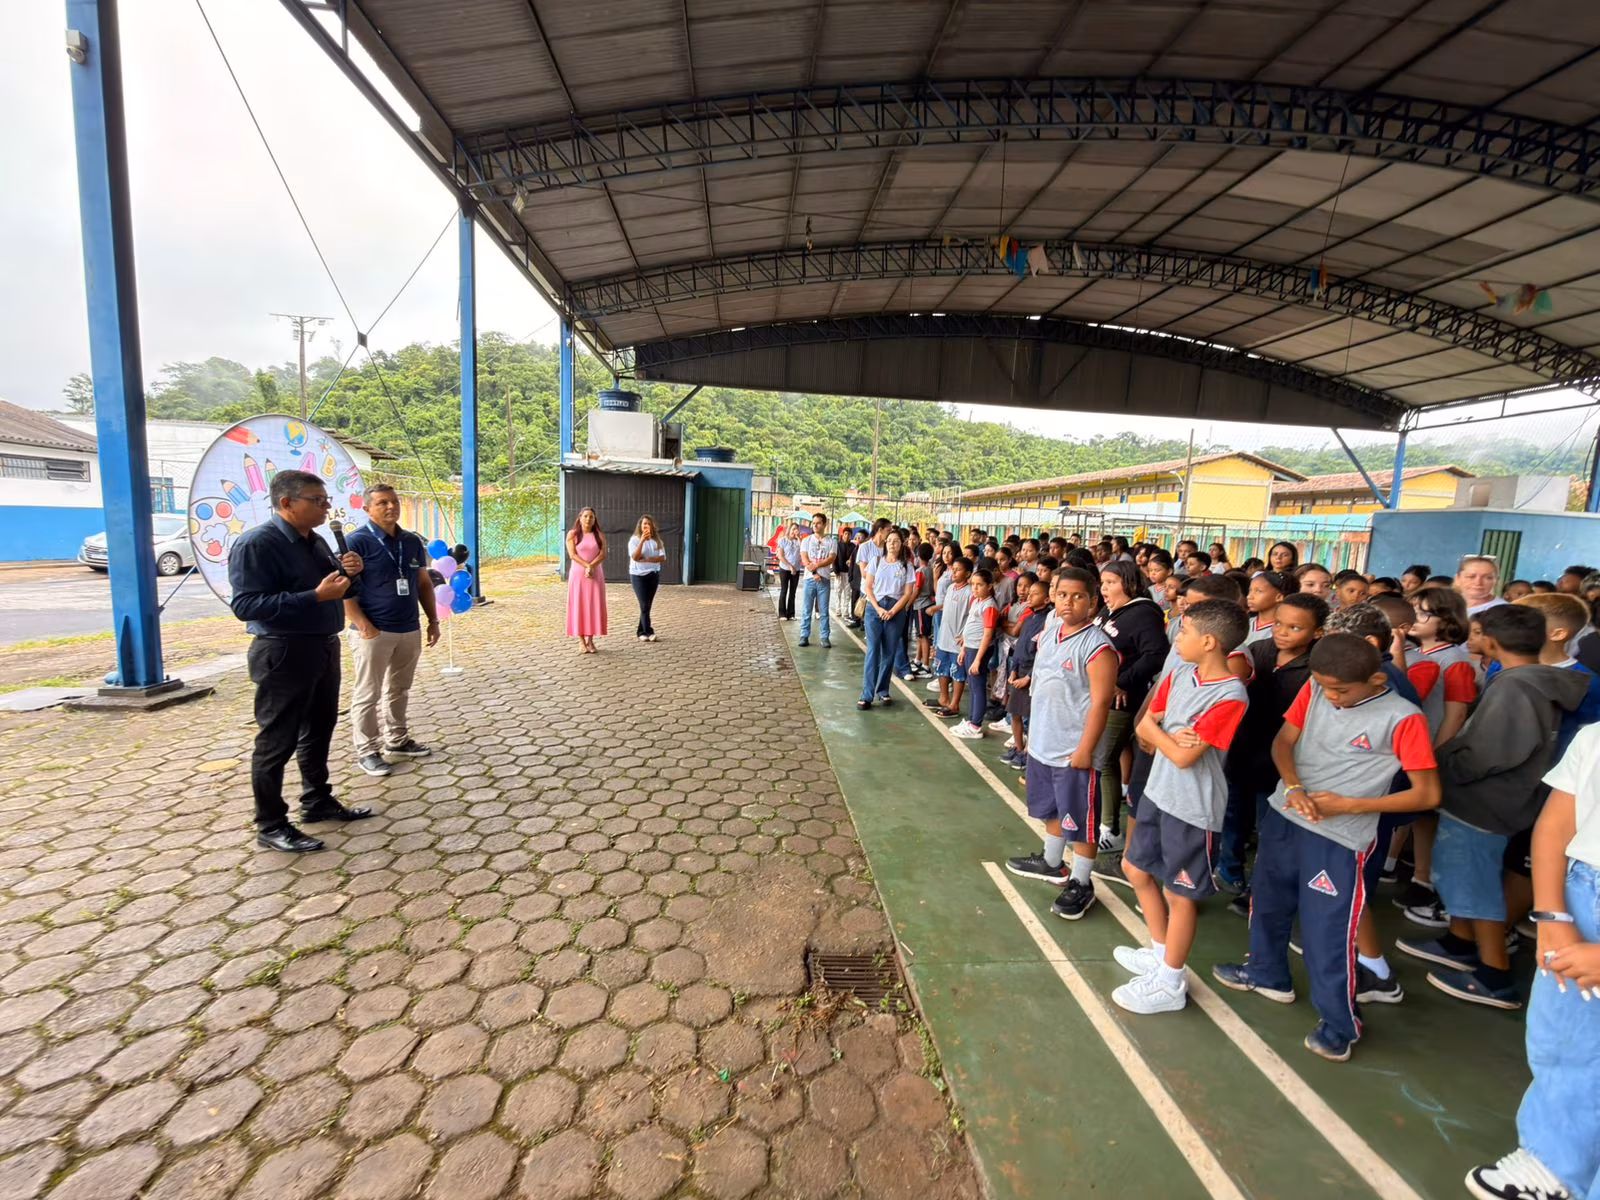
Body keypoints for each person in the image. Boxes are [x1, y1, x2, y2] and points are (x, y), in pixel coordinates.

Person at [1214, 634, 1439, 1062]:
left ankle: (1340, 1022)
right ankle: (1267, 973)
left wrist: (1350, 805)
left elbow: (1427, 794)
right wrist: (1294, 787)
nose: (1331, 696)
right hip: (1286, 814)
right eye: (1324, 686)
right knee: (1268, 902)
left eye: (1341, 690)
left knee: (1327, 931)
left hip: (1341, 836)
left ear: (1376, 679)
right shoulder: (1315, 687)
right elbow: (1283, 742)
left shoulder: (1403, 717)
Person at [1396, 605, 1589, 1009]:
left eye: (1477, 632)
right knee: (1463, 876)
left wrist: (1446, 767)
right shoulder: (1531, 680)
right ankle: (1459, 941)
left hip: (1483, 803)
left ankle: (1494, 974)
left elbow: (1489, 752)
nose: (1471, 638)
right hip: (1499, 799)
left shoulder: (1517, 687)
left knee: (1474, 882)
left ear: (1492, 640)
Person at [1464, 723, 1600, 1200]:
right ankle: (1555, 1163)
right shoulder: (1594, 737)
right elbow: (1555, 827)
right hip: (1581, 895)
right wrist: (1551, 914)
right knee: (1565, 1042)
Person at [1114, 600, 1249, 1014]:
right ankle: (1161, 953)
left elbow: (1186, 757)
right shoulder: (1179, 674)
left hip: (1193, 807)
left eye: (1185, 632)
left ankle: (1172, 982)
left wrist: (1165, 737)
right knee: (1135, 869)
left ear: (1209, 642)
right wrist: (1171, 736)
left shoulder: (1231, 695)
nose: (1178, 638)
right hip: (1159, 792)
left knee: (1180, 893)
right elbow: (1143, 725)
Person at [227, 469, 369, 854]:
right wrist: (314, 597)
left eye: (326, 501)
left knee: (319, 728)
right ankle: (270, 823)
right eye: (317, 501)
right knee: (277, 740)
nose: (326, 508)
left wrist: (351, 575)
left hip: (322, 645)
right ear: (287, 502)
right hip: (283, 651)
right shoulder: (257, 544)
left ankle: (317, 800)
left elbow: (338, 590)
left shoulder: (316, 541)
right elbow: (245, 605)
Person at [1006, 568, 1117, 919]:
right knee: (1050, 809)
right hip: (1044, 742)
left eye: (1078, 596)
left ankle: (1082, 882)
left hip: (1073, 750)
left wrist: (1085, 749)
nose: (1069, 602)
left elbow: (1101, 702)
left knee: (1079, 820)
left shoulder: (1098, 647)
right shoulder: (1051, 633)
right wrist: (1033, 738)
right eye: (1063, 594)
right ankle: (1052, 861)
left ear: (1093, 602)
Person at [1215, 592, 1327, 897]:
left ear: (1318, 632)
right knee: (1232, 817)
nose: (1282, 632)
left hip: (1282, 763)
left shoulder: (1317, 668)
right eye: (1278, 623)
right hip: (1241, 752)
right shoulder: (1257, 650)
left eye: (1295, 628)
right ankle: (1228, 871)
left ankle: (1261, 887)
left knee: (1271, 828)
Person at [344, 483, 439, 778]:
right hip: (373, 631)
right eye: (382, 503)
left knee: (399, 688)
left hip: (408, 627)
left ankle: (397, 740)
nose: (390, 507)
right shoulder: (355, 542)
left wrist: (433, 621)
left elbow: (422, 583)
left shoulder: (411, 541)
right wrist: (363, 625)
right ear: (367, 509)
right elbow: (343, 588)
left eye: (394, 501)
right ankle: (367, 751)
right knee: (367, 693)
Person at [1092, 560, 1167, 854]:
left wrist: (1122, 681)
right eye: (1103, 583)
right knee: (1106, 758)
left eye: (1111, 582)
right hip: (1100, 695)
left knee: (1103, 760)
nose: (1104, 588)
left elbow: (1156, 655)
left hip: (1121, 700)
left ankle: (1109, 829)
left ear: (1130, 583)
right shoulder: (1109, 611)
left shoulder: (1144, 613)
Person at [858, 529, 913, 709]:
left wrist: (893, 611)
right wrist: (879, 608)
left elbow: (907, 593)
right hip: (875, 609)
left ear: (901, 544)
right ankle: (867, 695)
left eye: (896, 541)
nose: (891, 544)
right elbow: (868, 587)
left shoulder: (907, 566)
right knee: (873, 650)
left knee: (889, 652)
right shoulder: (876, 561)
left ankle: (883, 691)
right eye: (889, 540)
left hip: (896, 610)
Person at [1002, 576, 1051, 770]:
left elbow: (1042, 653)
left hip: (1032, 673)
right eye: (1029, 593)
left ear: (1047, 599)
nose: (1029, 597)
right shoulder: (1029, 618)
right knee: (1014, 712)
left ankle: (1029, 753)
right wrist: (1014, 669)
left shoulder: (1047, 621)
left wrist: (1029, 677)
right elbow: (1020, 645)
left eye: (1034, 594)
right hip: (1019, 668)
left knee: (1031, 718)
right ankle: (1019, 747)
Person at [951, 567, 1000, 739]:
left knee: (978, 687)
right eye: (973, 584)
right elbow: (970, 624)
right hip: (970, 648)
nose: (975, 588)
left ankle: (976, 725)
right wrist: (963, 649)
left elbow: (987, 634)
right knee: (972, 685)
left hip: (979, 649)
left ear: (989, 586)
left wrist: (978, 659)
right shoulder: (976, 601)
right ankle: (971, 720)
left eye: (979, 585)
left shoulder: (989, 606)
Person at [565, 507, 608, 653]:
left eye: (591, 517)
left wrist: (592, 566)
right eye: (585, 516)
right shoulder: (573, 534)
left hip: (595, 574)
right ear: (580, 517)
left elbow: (603, 554)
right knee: (580, 605)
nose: (588, 519)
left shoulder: (599, 535)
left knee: (593, 605)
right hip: (578, 575)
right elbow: (572, 554)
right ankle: (581, 641)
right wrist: (587, 566)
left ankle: (590, 640)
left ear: (595, 519)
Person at [798, 512, 837, 649]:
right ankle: (804, 635)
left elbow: (831, 558)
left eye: (818, 523)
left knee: (824, 611)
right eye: (813, 523)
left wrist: (817, 566)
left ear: (824, 524)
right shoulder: (806, 541)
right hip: (809, 579)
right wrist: (814, 572)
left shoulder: (832, 542)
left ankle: (825, 637)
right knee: (806, 609)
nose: (815, 525)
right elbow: (804, 558)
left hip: (824, 580)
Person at [627, 514, 667, 642]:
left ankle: (641, 631)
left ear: (653, 526)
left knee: (647, 605)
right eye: (644, 523)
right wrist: (642, 541)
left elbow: (663, 557)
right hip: (638, 575)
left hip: (653, 575)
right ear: (640, 526)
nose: (647, 526)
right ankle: (649, 631)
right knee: (644, 604)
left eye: (649, 524)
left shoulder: (657, 541)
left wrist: (648, 559)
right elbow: (635, 557)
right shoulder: (634, 540)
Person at [774, 522, 801, 620]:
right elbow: (780, 556)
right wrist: (790, 566)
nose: (795, 531)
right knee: (784, 590)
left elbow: (803, 551)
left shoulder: (798, 541)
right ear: (789, 530)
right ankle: (782, 614)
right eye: (793, 529)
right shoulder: (783, 540)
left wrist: (798, 538)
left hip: (796, 570)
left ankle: (791, 614)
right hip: (785, 569)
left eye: (797, 529)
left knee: (793, 592)